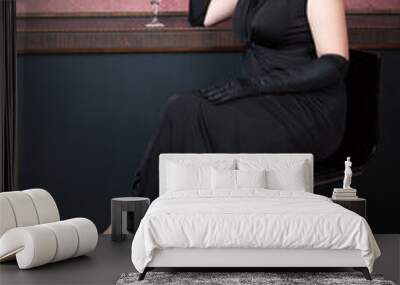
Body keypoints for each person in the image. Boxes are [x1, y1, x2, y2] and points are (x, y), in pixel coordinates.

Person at [132, 0, 350, 201]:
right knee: (181, 108)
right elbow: (202, 16)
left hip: (305, 108)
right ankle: (149, 216)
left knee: (191, 112)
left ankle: (144, 219)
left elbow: (335, 63)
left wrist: (256, 85)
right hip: (259, 98)